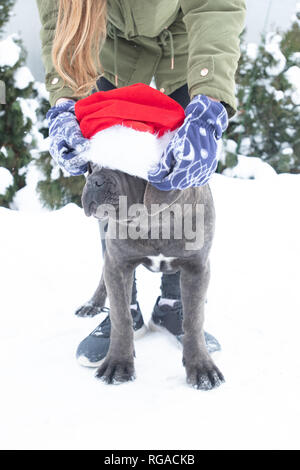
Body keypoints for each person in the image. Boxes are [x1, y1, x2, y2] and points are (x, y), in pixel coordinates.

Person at [36, 0, 246, 367]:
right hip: (105, 48)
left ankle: (173, 303)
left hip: (185, 49)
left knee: (179, 173)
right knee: (112, 175)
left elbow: (216, 5)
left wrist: (209, 101)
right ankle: (123, 310)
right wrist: (65, 100)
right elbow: (60, 18)